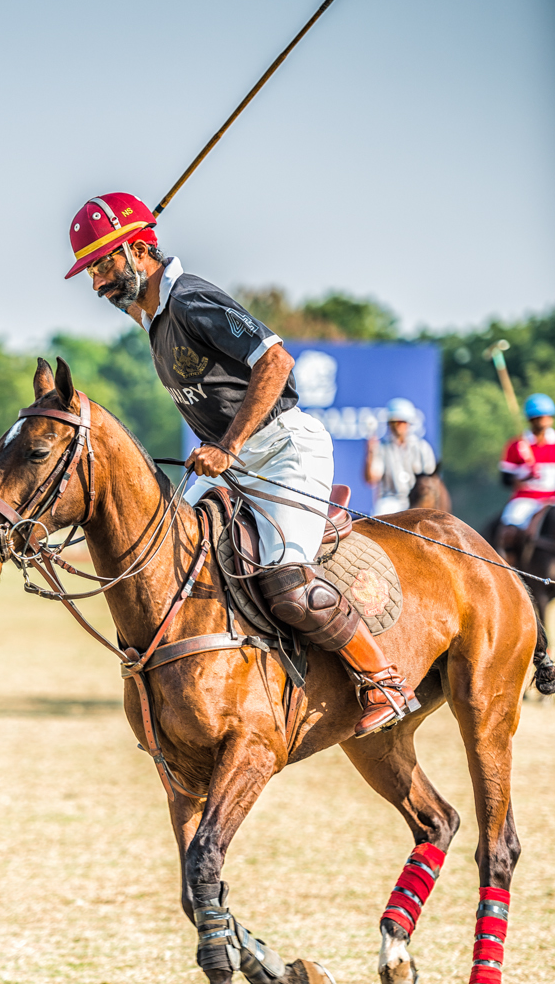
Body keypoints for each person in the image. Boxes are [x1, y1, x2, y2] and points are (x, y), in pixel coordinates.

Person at [64, 192, 419, 737]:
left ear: (139, 250)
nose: (97, 284)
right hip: (234, 468)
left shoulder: (190, 299)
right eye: (90, 271)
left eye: (103, 265)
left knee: (285, 580)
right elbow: (140, 292)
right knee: (178, 557)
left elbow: (276, 361)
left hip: (282, 451)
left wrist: (228, 446)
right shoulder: (154, 315)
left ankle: (384, 680)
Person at [364, 397, 436, 515]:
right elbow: (371, 478)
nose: (396, 426)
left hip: (417, 501)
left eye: (400, 422)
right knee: (379, 518)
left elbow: (431, 479)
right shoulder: (382, 448)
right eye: (392, 422)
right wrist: (370, 453)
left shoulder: (422, 448)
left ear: (408, 423)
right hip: (389, 502)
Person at [498, 393, 555, 534]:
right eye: (539, 417)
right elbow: (505, 479)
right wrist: (524, 477)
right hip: (526, 499)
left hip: (552, 498)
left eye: (547, 417)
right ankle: (507, 556)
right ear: (531, 419)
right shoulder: (517, 445)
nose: (544, 421)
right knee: (510, 528)